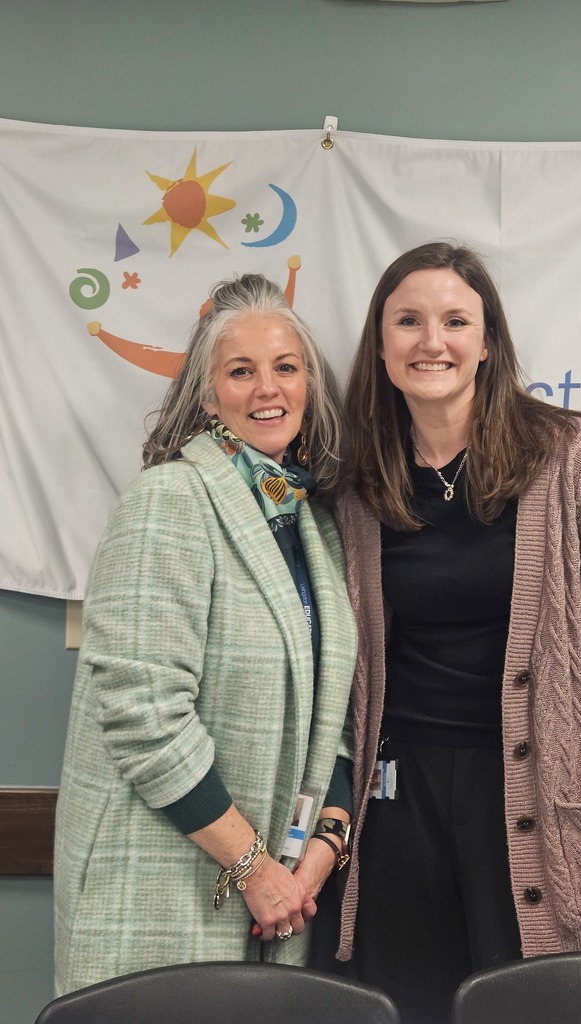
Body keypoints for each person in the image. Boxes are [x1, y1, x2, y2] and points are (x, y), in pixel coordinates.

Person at [333, 242, 581, 1024]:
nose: (433, 341)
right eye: (409, 321)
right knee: (406, 1006)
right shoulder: (361, 480)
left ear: (487, 342)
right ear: (381, 345)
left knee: (531, 1006)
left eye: (456, 320)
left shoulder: (570, 455)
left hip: (533, 791)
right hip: (397, 798)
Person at [54, 274, 357, 994]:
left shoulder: (313, 523)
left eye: (285, 368)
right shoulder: (169, 500)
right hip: (160, 893)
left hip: (280, 900)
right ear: (205, 393)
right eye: (241, 371)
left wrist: (324, 845)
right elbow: (142, 713)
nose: (267, 390)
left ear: (309, 386)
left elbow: (335, 710)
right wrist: (254, 868)